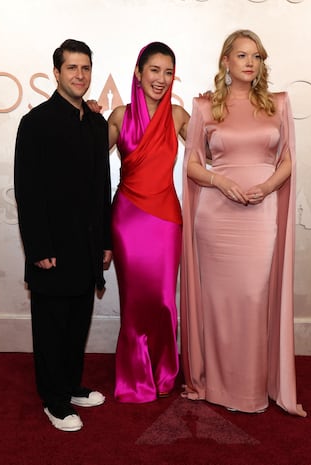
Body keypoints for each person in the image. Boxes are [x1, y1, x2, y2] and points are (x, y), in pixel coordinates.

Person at [180, 30, 306, 417]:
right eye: (241, 56)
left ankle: (254, 388)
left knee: (254, 298)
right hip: (217, 218)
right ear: (226, 62)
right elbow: (193, 165)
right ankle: (215, 385)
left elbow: (287, 159)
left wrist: (267, 187)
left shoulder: (278, 103)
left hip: (261, 214)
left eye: (257, 57)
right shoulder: (204, 107)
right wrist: (221, 181)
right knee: (219, 304)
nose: (250, 63)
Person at [14, 39, 112, 431]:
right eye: (72, 68)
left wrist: (105, 240)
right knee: (51, 325)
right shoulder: (35, 123)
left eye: (85, 68)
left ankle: (70, 386)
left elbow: (102, 186)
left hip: (86, 245)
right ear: (56, 73)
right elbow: (27, 189)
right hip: (51, 247)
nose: (79, 75)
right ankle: (53, 401)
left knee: (77, 322)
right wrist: (38, 247)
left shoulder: (96, 123)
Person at [107, 42, 189, 402]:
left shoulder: (179, 116)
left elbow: (217, 150)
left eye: (168, 72)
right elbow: (86, 160)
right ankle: (135, 378)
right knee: (135, 302)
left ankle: (164, 374)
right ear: (138, 74)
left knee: (163, 302)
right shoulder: (119, 116)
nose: (161, 78)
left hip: (167, 221)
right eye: (154, 70)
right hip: (127, 221)